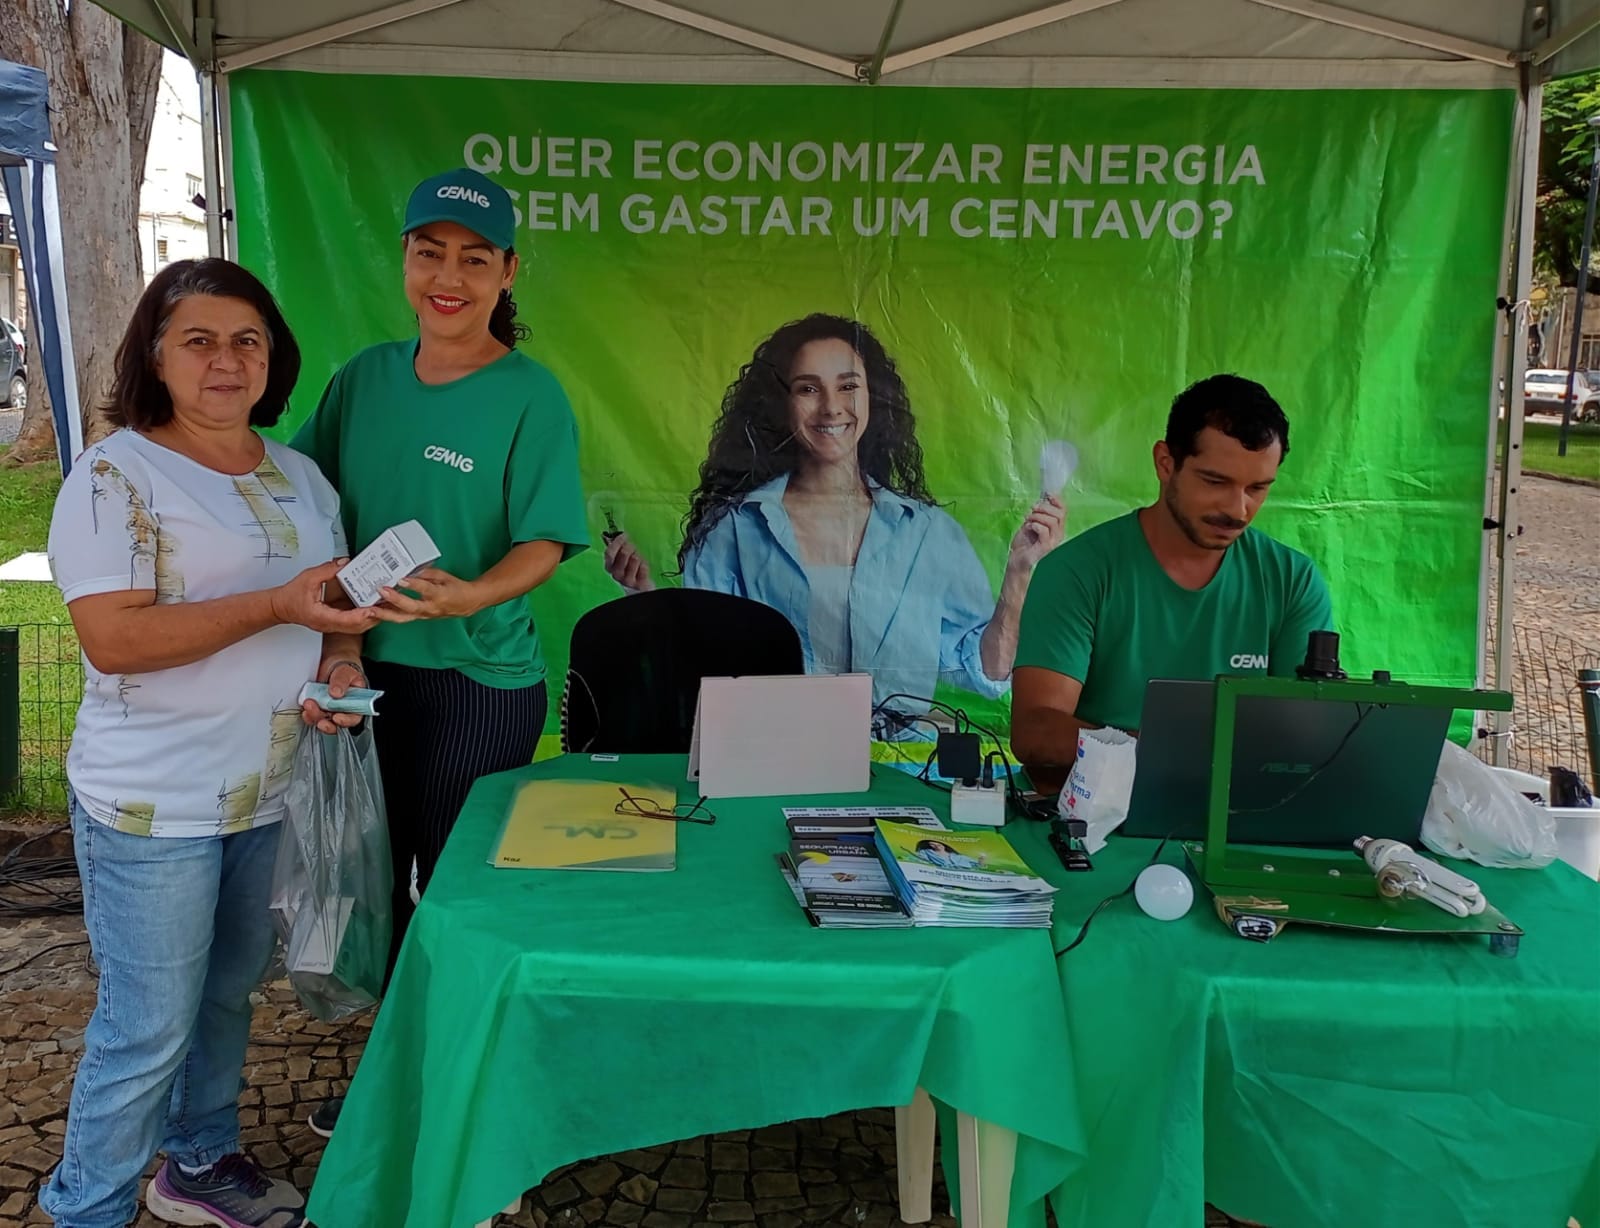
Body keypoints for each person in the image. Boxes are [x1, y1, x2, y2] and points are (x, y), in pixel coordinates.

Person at [40, 259, 376, 1228]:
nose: (227, 360)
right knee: (146, 1026)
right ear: (155, 356)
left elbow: (335, 607)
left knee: (229, 994)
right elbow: (114, 640)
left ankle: (197, 1160)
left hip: (270, 791)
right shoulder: (116, 476)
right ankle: (88, 1208)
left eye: (247, 341)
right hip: (152, 805)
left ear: (274, 358)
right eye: (199, 340)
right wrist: (275, 605)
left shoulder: (301, 477)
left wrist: (341, 666)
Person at [292, 167, 588, 1136]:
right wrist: (337, 644)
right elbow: (307, 500)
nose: (447, 278)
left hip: (479, 682)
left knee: (452, 887)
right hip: (362, 677)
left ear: (508, 272)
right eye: (430, 254)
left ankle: (459, 1078)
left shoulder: (530, 396)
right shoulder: (363, 379)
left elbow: (544, 540)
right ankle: (393, 1076)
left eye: (473, 259)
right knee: (369, 882)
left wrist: (471, 593)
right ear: (406, 261)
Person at [603, 313, 1064, 730]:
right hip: (775, 761)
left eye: (847, 386)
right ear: (781, 403)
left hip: (901, 770)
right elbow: (703, 665)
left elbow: (986, 674)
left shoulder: (928, 533)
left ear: (872, 397)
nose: (831, 407)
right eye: (808, 389)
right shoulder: (736, 530)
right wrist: (645, 601)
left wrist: (1019, 573)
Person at [1011, 373, 1334, 792]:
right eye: (1215, 482)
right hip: (1092, 817)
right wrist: (1175, 753)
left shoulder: (1293, 582)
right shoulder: (1077, 570)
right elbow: (1036, 732)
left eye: (1257, 488)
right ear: (1165, 463)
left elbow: (1305, 742)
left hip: (1237, 816)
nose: (1238, 509)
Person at [913, 838, 985, 870]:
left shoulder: (958, 857)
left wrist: (981, 860)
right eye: (932, 844)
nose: (937, 846)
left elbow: (978, 866)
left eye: (939, 844)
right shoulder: (926, 852)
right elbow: (922, 860)